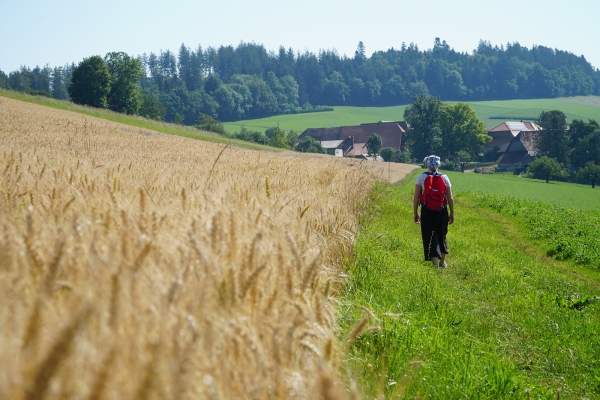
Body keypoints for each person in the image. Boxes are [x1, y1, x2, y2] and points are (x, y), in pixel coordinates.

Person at [413, 155, 454, 268]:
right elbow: (450, 198)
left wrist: (415, 212)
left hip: (427, 210)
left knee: (429, 235)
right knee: (441, 235)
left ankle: (435, 264)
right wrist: (452, 213)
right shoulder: (445, 177)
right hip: (442, 211)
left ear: (427, 164)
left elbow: (416, 197)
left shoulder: (421, 177)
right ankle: (442, 262)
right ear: (438, 164)